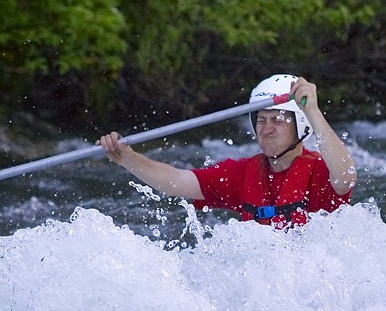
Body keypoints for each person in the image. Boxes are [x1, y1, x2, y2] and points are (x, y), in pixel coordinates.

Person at [99, 74, 356, 229]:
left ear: (300, 125)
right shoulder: (242, 173)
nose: (266, 129)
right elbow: (177, 182)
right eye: (261, 120)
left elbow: (345, 178)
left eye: (277, 120)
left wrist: (312, 110)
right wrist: (128, 159)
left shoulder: (319, 172)